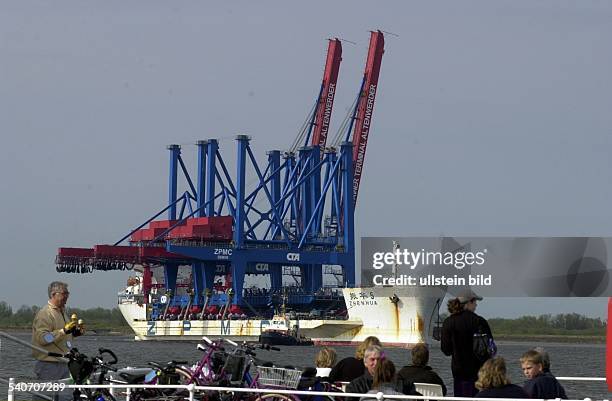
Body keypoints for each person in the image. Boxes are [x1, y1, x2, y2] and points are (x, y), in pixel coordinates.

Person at [32, 281, 84, 401]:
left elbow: (63, 337)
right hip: (49, 365)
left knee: (65, 398)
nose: (67, 296)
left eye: (68, 293)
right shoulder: (45, 314)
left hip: (64, 363)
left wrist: (74, 333)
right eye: (64, 293)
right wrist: (63, 331)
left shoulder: (63, 312)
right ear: (54, 294)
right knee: (45, 397)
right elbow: (44, 338)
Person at [441, 289, 493, 397]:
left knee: (459, 397)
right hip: (479, 372)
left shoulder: (448, 322)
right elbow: (490, 348)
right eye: (475, 302)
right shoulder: (479, 321)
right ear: (469, 302)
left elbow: (446, 350)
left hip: (458, 372)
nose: (476, 305)